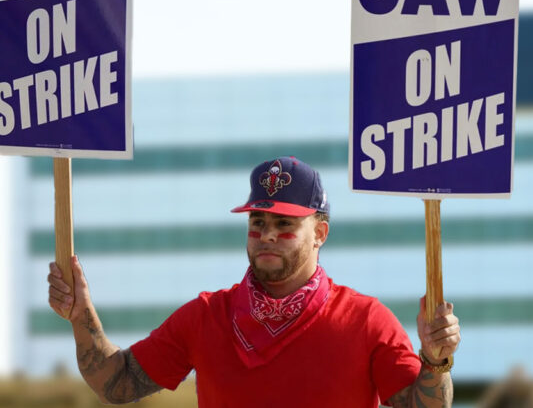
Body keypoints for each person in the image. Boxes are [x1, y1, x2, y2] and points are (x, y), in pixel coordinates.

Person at [47, 156, 461, 407]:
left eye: (284, 224)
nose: (266, 233)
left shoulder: (367, 320)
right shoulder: (206, 316)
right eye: (257, 221)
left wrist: (435, 360)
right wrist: (82, 318)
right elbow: (117, 384)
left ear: (320, 234)